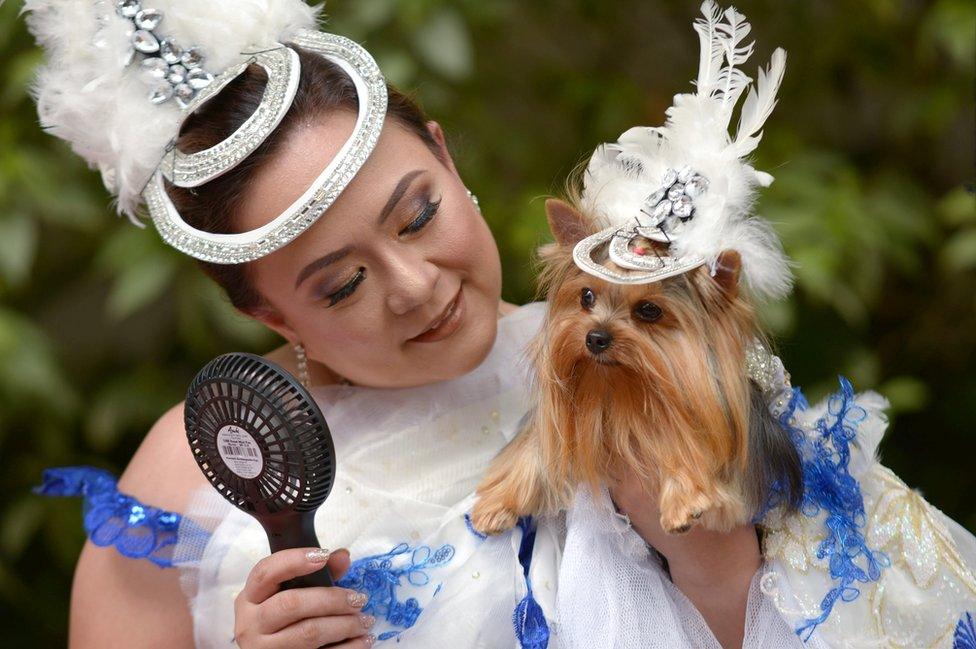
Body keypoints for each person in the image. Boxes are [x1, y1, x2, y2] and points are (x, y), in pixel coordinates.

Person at [26, 2, 975, 649]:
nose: (414, 285)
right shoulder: (189, 483)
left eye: (417, 213)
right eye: (344, 283)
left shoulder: (650, 362)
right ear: (268, 312)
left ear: (446, 156)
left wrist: (712, 560)